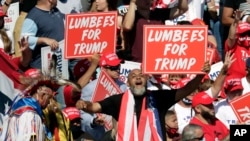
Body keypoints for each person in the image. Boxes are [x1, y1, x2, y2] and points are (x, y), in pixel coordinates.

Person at [76, 61, 210, 141]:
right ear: (128, 83)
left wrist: (200, 75)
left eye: (141, 75)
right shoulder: (118, 100)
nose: (138, 78)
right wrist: (83, 104)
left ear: (146, 80)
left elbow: (186, 90)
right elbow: (94, 107)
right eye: (133, 76)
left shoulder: (159, 98)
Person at [80, 52, 127, 141]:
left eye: (119, 67)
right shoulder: (90, 88)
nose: (118, 70)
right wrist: (93, 120)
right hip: (99, 135)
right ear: (103, 69)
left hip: (119, 135)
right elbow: (82, 114)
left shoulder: (124, 87)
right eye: (114, 67)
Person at [122, 0, 188, 62]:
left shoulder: (158, 13)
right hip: (138, 62)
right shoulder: (132, 16)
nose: (147, 1)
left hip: (157, 62)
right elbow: (127, 26)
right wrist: (132, 3)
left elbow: (182, 9)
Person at [0, 76, 60, 141]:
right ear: (42, 95)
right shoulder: (30, 115)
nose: (49, 103)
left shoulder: (20, 109)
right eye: (49, 98)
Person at [20, 0, 65, 69]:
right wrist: (43, 40)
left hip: (60, 65)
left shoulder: (56, 11)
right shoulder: (33, 16)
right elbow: (24, 39)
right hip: (42, 69)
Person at [225, 11, 250, 78]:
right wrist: (235, 22)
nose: (246, 36)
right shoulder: (233, 46)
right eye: (243, 34)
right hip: (235, 83)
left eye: (249, 34)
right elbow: (231, 37)